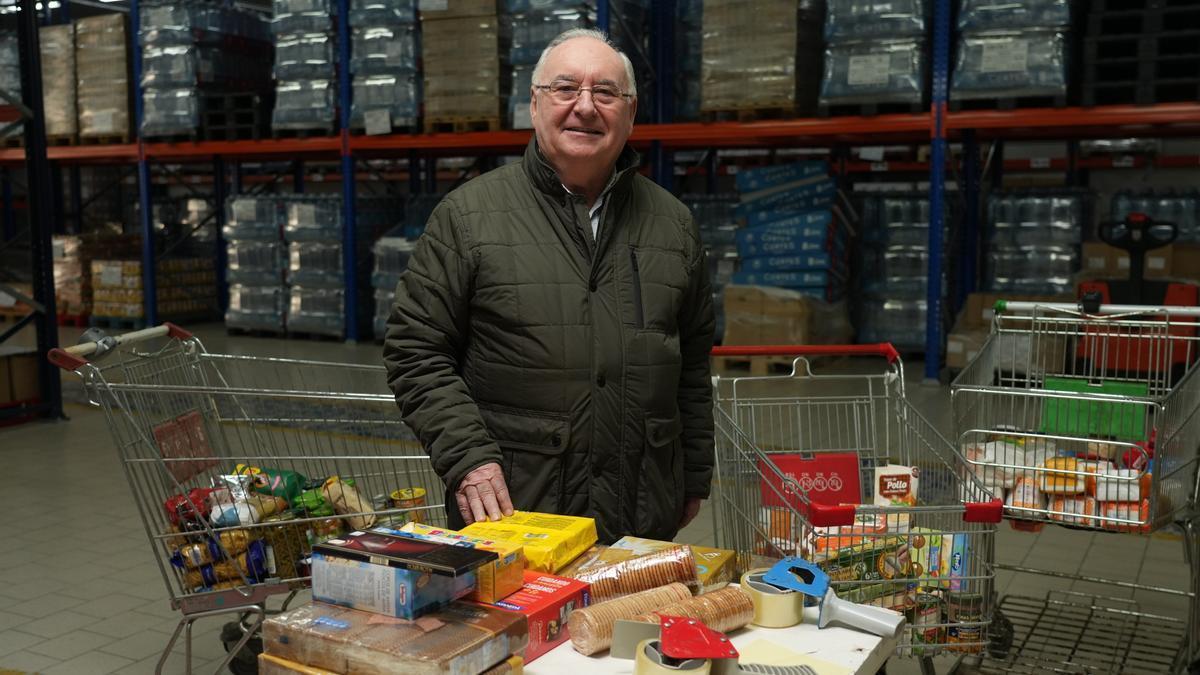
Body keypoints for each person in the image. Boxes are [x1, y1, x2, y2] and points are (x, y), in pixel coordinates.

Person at [383, 28, 714, 544]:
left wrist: (693, 473)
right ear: (535, 106)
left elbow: (692, 362)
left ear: (630, 114)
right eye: (565, 90)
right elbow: (415, 349)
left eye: (605, 93)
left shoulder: (674, 226)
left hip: (642, 514)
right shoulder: (469, 217)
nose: (585, 107)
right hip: (516, 516)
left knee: (629, 627)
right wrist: (468, 458)